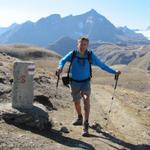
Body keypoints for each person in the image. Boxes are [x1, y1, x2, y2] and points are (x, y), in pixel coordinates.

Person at [56, 36, 121, 136]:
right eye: (81, 44)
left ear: (87, 45)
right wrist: (60, 67)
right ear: (77, 44)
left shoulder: (90, 55)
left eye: (84, 44)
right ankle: (79, 117)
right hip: (74, 82)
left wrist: (114, 71)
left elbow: (102, 65)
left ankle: (86, 124)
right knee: (76, 102)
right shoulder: (73, 54)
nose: (82, 46)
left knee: (86, 99)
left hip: (85, 82)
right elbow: (62, 60)